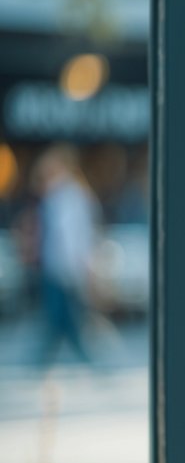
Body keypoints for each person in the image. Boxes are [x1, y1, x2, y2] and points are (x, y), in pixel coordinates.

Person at [30, 143, 101, 368]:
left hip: (64, 269)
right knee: (62, 320)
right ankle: (81, 358)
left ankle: (45, 361)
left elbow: (74, 237)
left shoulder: (71, 197)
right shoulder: (56, 197)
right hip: (56, 267)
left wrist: (77, 268)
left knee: (61, 319)